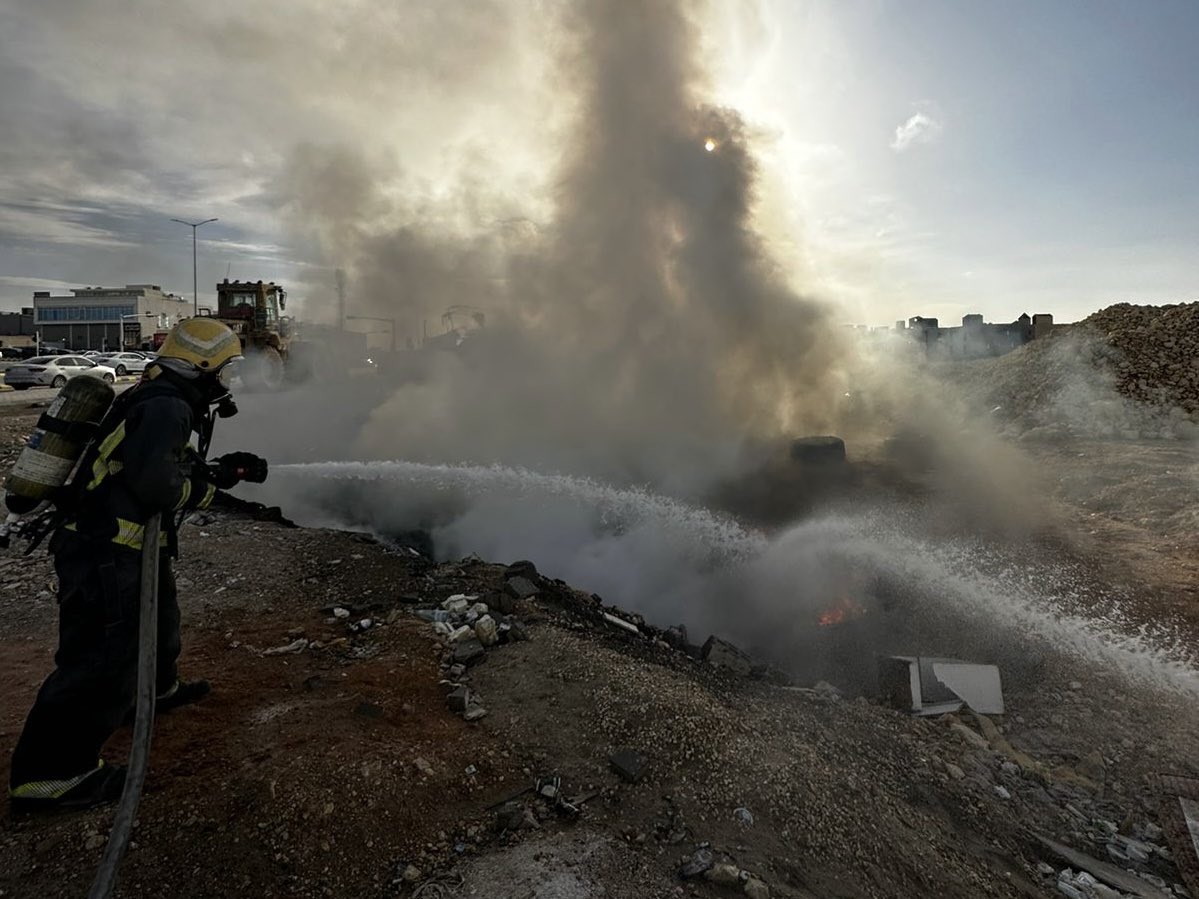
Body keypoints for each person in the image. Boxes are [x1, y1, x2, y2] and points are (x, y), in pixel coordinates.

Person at [8, 318, 268, 812]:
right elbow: (156, 485)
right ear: (202, 367)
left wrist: (218, 470)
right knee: (101, 658)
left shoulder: (161, 396)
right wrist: (207, 490)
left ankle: (153, 690)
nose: (227, 380)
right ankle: (50, 776)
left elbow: (150, 462)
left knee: (160, 620)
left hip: (124, 544)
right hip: (104, 549)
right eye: (224, 369)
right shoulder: (168, 406)